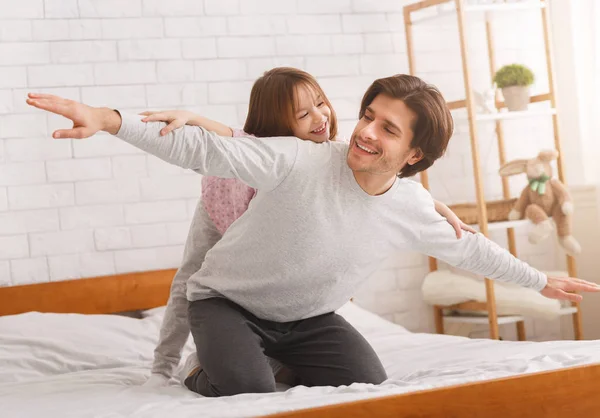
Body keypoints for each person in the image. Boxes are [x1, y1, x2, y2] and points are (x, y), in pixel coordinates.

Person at [26, 73, 599, 398]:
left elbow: (472, 248)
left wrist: (539, 279)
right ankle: (209, 367)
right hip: (227, 304)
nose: (365, 130)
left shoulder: (413, 206)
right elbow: (210, 148)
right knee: (253, 397)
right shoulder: (302, 161)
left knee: (369, 386)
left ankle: (265, 359)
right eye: (367, 114)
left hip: (308, 319)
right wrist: (109, 119)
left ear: (414, 154)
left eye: (387, 128)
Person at [134, 68, 473, 388]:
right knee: (248, 386)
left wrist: (432, 207)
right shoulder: (227, 186)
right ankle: (202, 366)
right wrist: (162, 367)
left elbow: (386, 183)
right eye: (303, 114)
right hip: (231, 307)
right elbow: (189, 276)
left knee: (366, 383)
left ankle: (274, 361)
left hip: (297, 317)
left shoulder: (333, 162)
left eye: (321, 103)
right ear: (277, 127)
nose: (321, 117)